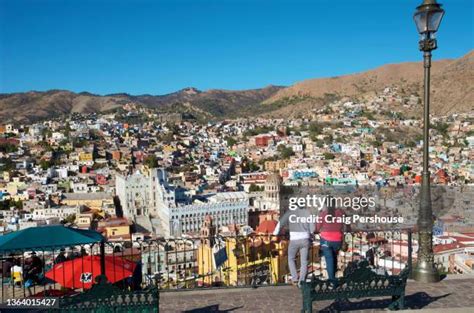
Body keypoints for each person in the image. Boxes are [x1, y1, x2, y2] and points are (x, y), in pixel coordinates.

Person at [273, 206, 315, 288]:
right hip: (305, 239)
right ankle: (302, 282)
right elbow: (312, 227)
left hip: (294, 240)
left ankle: (295, 278)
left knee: (291, 259)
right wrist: (311, 233)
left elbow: (280, 223)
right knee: (304, 262)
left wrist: (275, 233)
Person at [317, 199, 347, 287]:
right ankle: (333, 279)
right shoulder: (340, 213)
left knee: (329, 260)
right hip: (337, 240)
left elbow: (317, 228)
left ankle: (332, 282)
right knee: (334, 258)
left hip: (326, 240)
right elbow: (346, 224)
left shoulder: (323, 214)